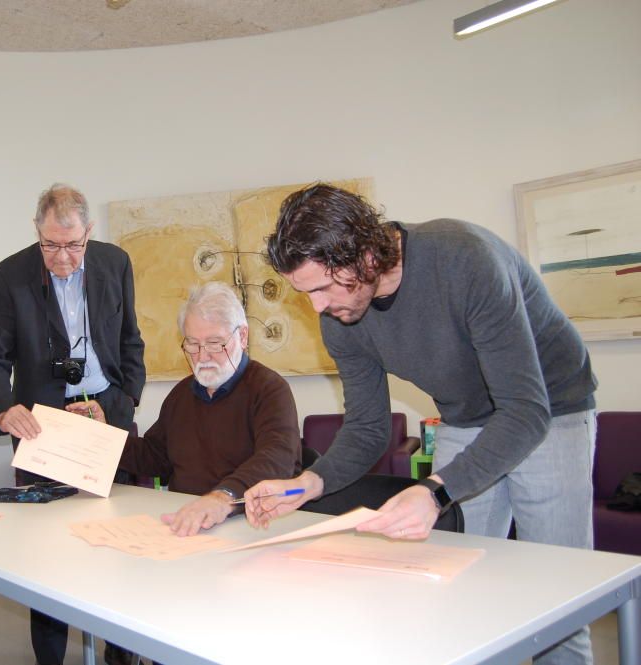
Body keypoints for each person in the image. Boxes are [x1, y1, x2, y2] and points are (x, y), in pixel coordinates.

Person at [244, 183, 597, 665]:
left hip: (550, 408)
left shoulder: (465, 260)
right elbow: (368, 427)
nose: (318, 308)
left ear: (367, 257)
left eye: (322, 287)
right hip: (467, 416)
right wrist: (307, 484)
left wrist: (434, 489)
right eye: (305, 293)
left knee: (560, 603)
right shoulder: (340, 319)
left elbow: (524, 410)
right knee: (453, 588)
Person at [0, 183, 145, 665]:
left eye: (73, 245)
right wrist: (5, 407)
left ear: (89, 232)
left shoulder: (115, 263)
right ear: (37, 232)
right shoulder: (10, 275)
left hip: (104, 416)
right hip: (43, 427)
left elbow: (131, 340)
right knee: (45, 553)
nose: (63, 257)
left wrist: (123, 403)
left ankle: (121, 655)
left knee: (118, 545)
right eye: (51, 245)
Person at [68, 281, 301, 538]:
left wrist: (222, 498)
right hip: (187, 522)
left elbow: (277, 460)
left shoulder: (268, 389)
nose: (202, 357)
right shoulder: (183, 394)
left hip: (249, 524)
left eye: (215, 344)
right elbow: (157, 458)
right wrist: (104, 435)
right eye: (192, 344)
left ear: (242, 336)